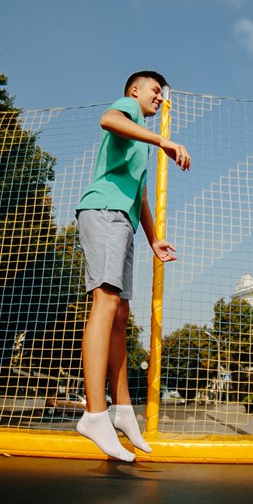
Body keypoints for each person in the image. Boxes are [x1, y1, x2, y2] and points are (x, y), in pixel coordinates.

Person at [74, 71, 191, 461]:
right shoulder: (128, 112)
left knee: (121, 313)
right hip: (104, 211)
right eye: (155, 90)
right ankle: (94, 412)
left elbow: (138, 194)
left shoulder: (139, 142)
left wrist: (154, 237)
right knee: (105, 303)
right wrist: (163, 140)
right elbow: (107, 119)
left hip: (121, 218)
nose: (160, 97)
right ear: (135, 91)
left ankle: (123, 410)